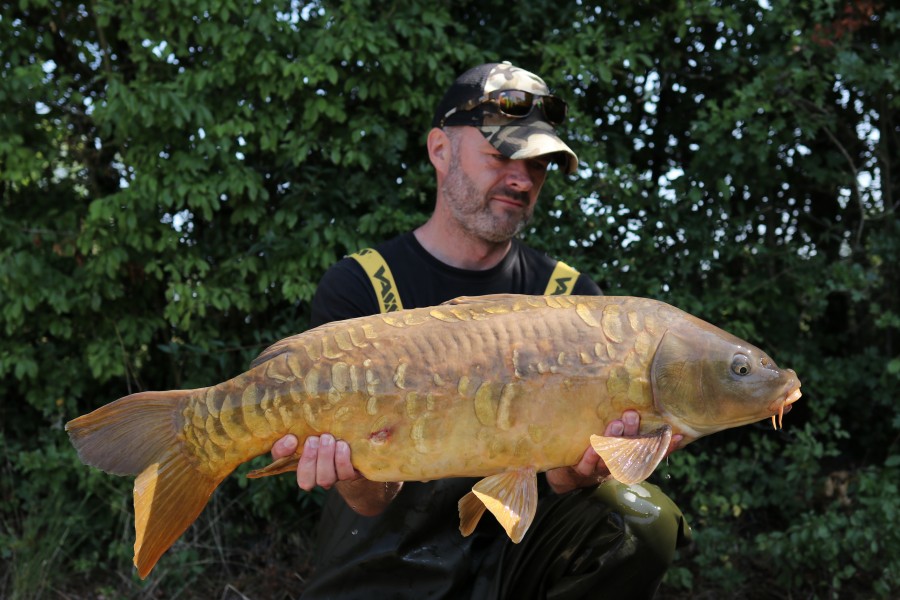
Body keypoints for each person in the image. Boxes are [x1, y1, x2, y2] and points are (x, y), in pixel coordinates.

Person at [271, 62, 690, 598]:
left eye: (539, 164)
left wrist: (585, 471)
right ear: (440, 151)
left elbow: (565, 483)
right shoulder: (364, 286)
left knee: (641, 524)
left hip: (518, 557)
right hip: (385, 556)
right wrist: (346, 469)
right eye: (503, 154)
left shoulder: (572, 300)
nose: (522, 178)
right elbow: (369, 501)